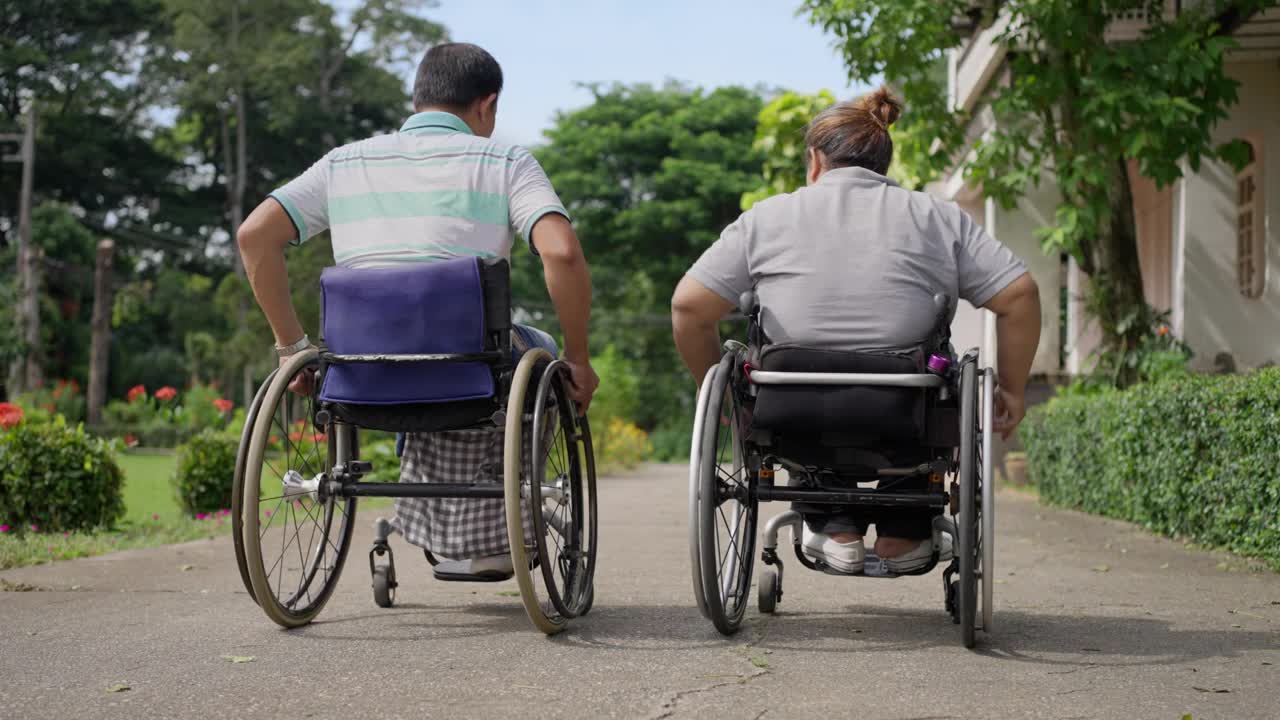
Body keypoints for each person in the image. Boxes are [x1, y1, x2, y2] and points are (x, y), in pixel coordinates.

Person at [237, 42, 598, 578]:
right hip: (469, 364)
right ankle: (502, 519)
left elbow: (253, 236)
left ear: (419, 99)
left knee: (435, 357)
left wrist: (294, 348)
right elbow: (563, 252)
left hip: (358, 370)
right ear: (487, 106)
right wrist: (578, 356)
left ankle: (440, 499)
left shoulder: (344, 163)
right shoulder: (505, 162)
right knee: (540, 353)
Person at [671, 86, 1041, 575]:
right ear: (882, 163)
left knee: (788, 397)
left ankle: (832, 525)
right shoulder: (937, 217)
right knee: (935, 373)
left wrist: (715, 396)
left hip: (790, 412)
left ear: (815, 160)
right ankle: (903, 530)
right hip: (907, 415)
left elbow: (688, 306)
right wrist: (1013, 388)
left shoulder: (767, 217)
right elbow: (1020, 296)